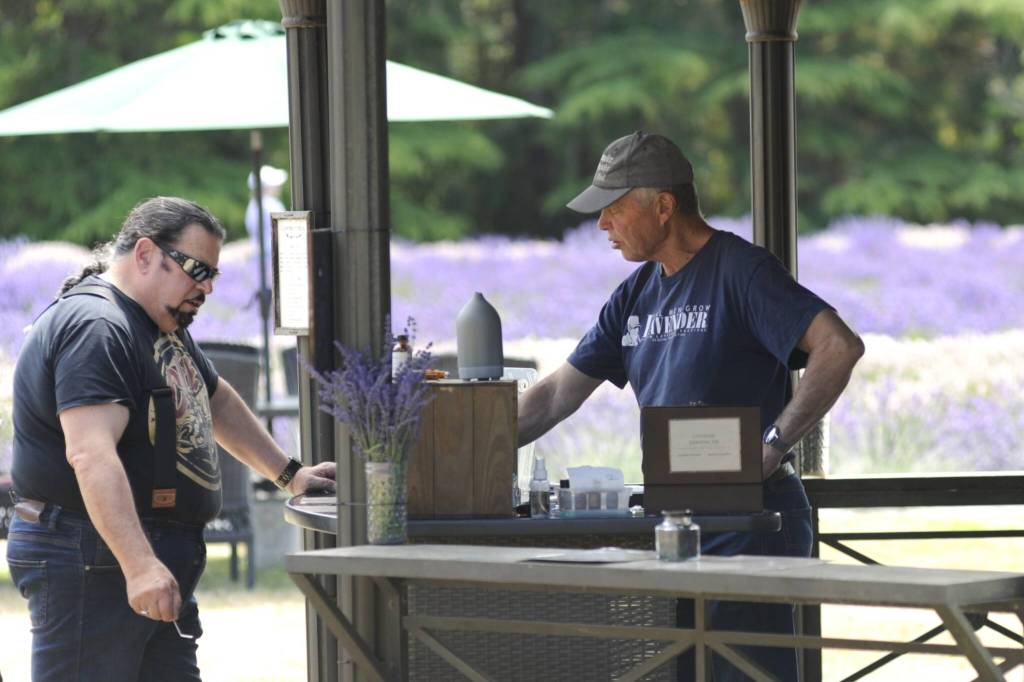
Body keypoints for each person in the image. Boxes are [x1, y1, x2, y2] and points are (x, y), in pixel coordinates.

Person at [518, 131, 864, 681]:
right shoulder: (634, 295)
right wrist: (442, 450)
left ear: (663, 206)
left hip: (752, 518)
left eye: (613, 210)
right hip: (673, 527)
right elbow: (556, 395)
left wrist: (774, 446)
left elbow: (838, 346)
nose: (602, 225)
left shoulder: (743, 271)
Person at [6, 196, 335, 681]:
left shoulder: (157, 319)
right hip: (94, 559)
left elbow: (215, 399)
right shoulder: (98, 327)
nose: (204, 289)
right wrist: (139, 565)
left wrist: (290, 474)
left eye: (212, 277)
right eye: (195, 270)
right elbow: (90, 453)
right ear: (144, 254)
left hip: (135, 556)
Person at [245, 164, 288, 261]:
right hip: (274, 255)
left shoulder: (252, 205)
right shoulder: (272, 205)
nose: (279, 186)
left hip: (260, 257)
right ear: (268, 187)